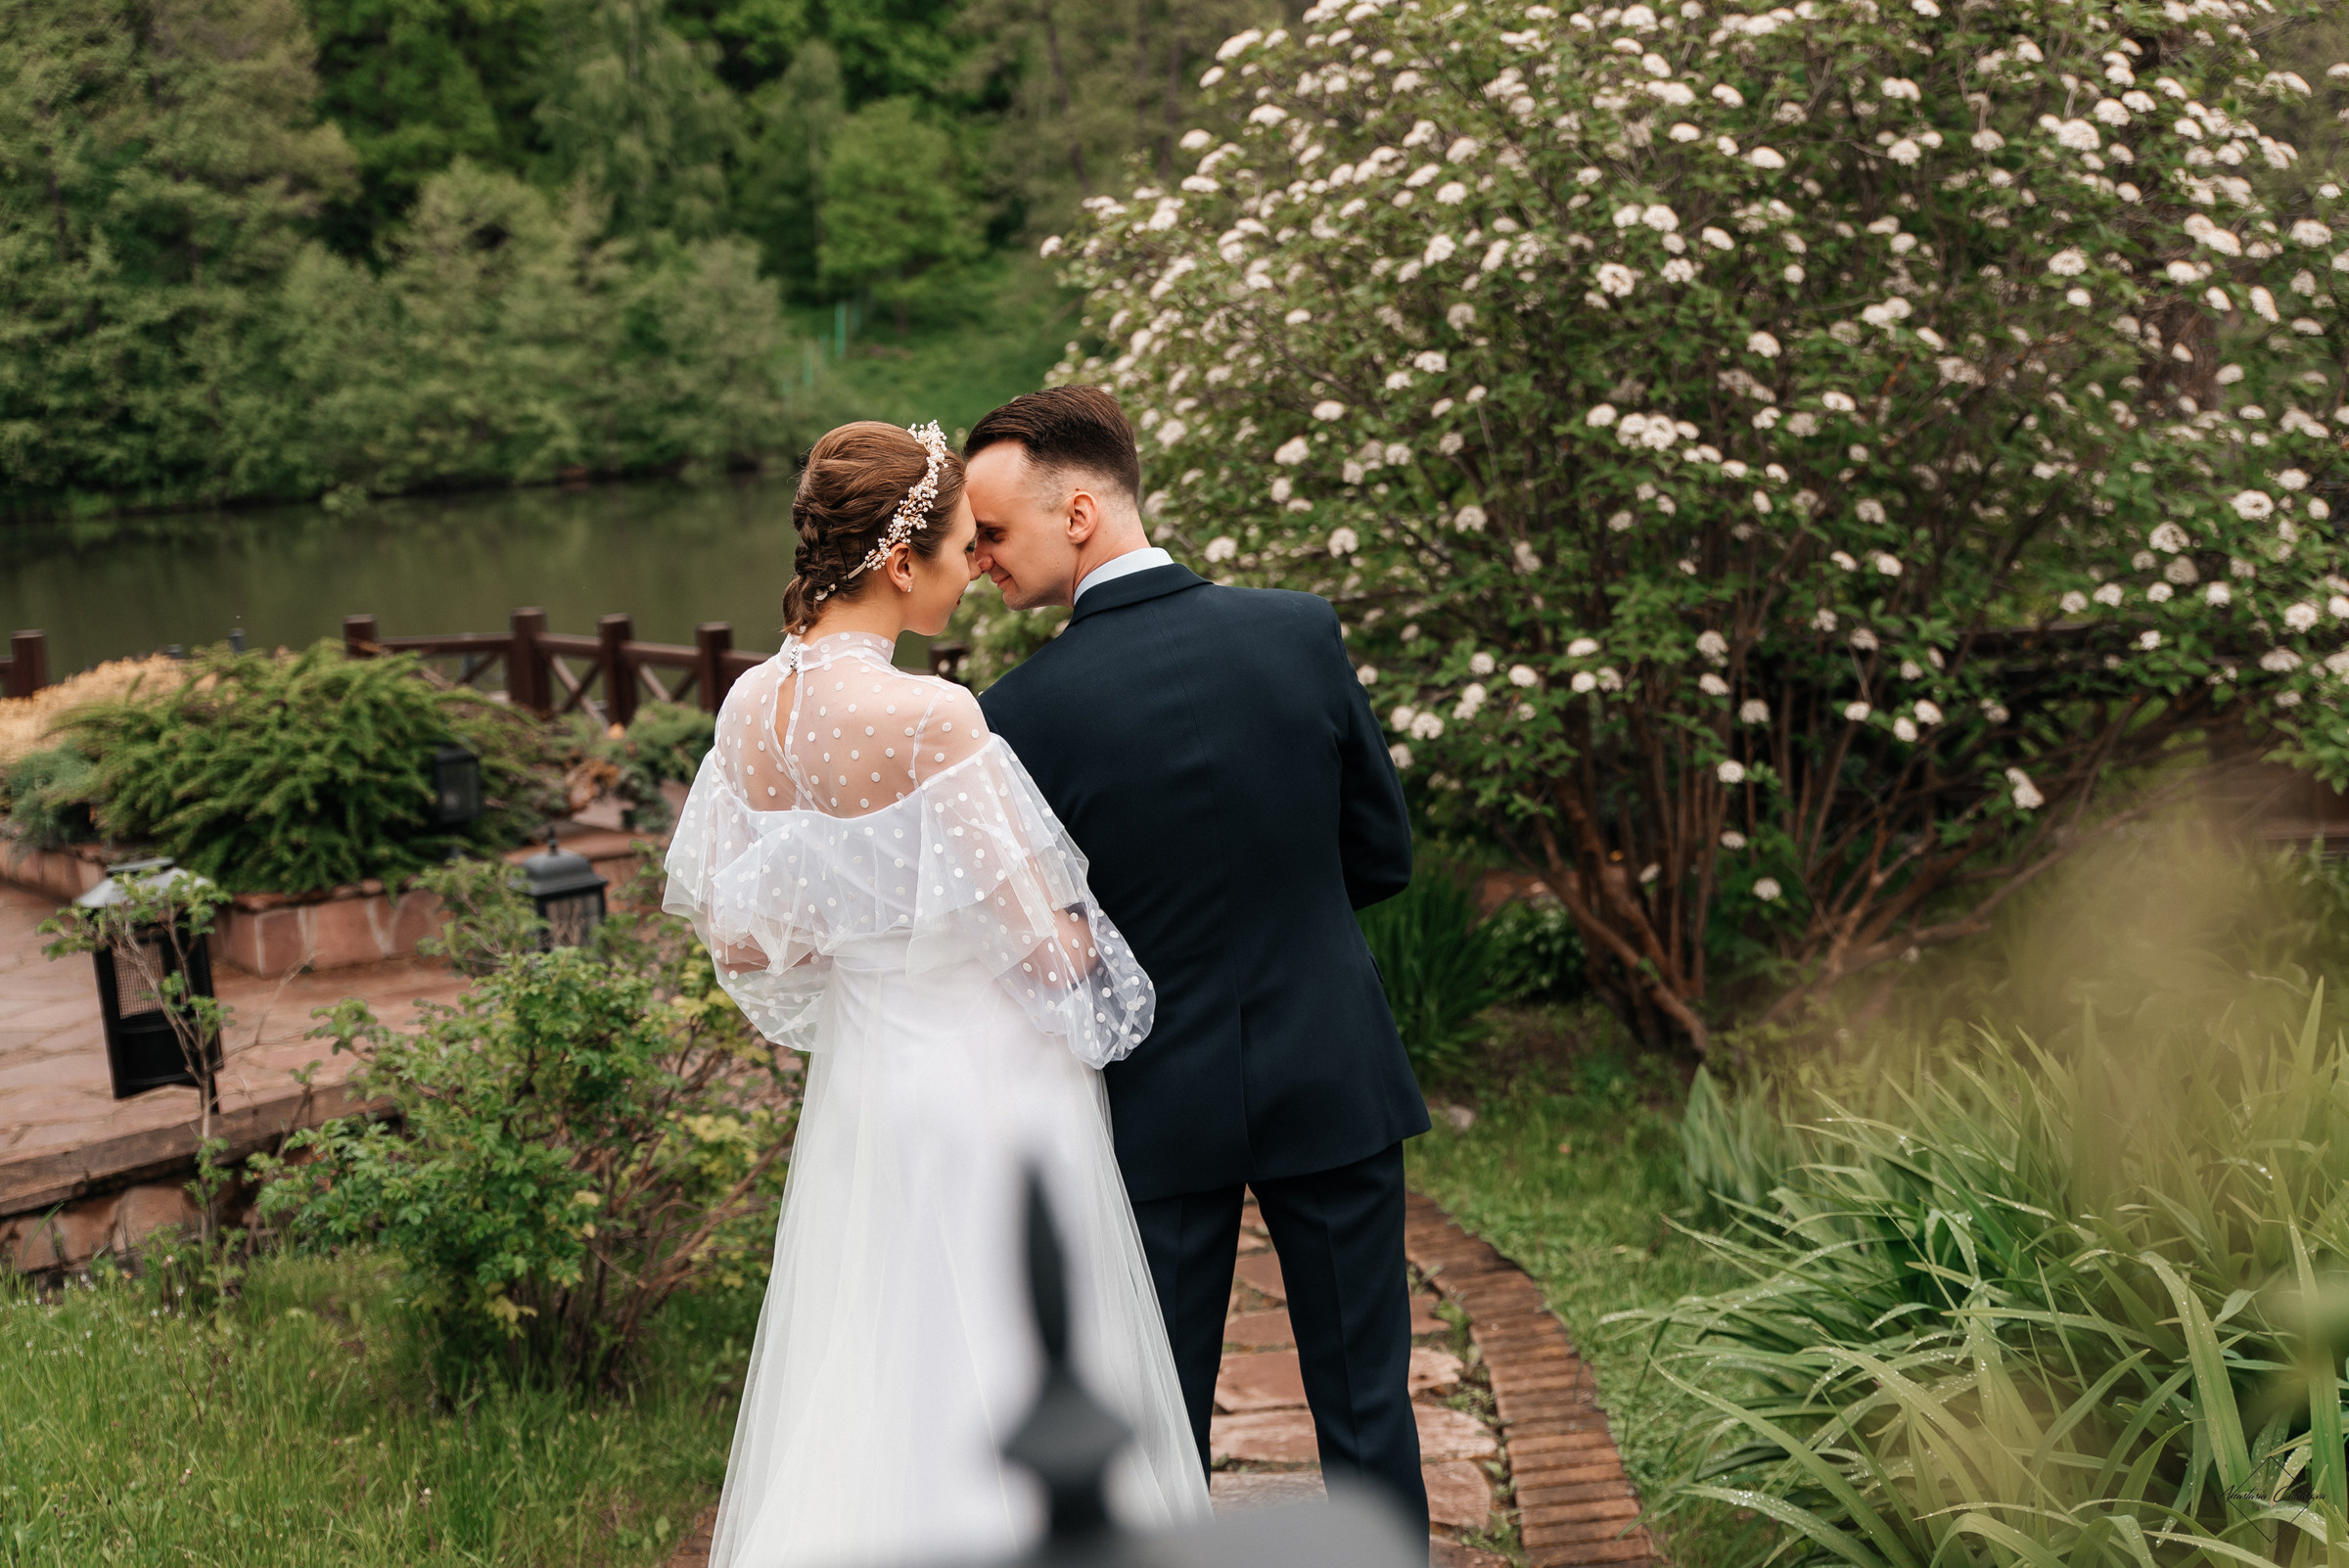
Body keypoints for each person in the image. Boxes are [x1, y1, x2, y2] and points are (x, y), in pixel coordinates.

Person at [663, 419, 1211, 1566]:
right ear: (901, 561)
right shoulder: (932, 717)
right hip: (983, 1083)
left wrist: (862, 923)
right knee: (1011, 1353)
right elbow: (1050, 954)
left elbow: (744, 939)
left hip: (867, 1085)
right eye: (963, 545)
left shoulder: (748, 712)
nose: (976, 567)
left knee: (879, 1356)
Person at [965, 386, 1433, 1536]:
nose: (977, 561)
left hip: (1153, 1105)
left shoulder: (1017, 711)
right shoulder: (1297, 630)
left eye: (992, 534)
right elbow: (1382, 855)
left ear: (1077, 513)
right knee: (1369, 1404)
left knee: (1161, 1422)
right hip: (1332, 1067)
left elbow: (1045, 940)